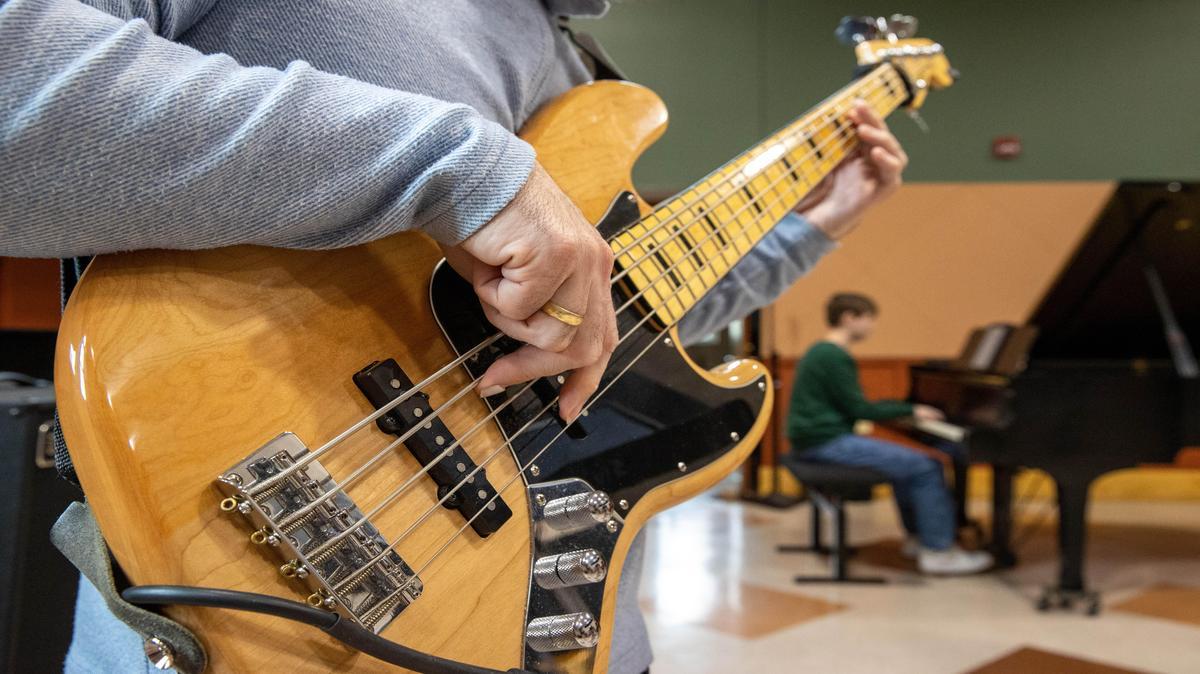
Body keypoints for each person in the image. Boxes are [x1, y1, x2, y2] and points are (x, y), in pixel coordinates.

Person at [0, 0, 912, 671]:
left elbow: (617, 325)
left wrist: (816, 226)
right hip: (243, 583)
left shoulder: (585, 75)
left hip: (566, 628)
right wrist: (461, 172)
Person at [785, 292, 993, 575]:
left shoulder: (820, 351)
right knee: (925, 466)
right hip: (824, 442)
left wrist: (906, 410)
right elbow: (860, 409)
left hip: (814, 438)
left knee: (906, 464)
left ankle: (918, 538)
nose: (872, 327)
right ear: (849, 318)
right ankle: (938, 551)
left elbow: (856, 406)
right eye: (869, 319)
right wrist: (912, 409)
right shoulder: (833, 355)